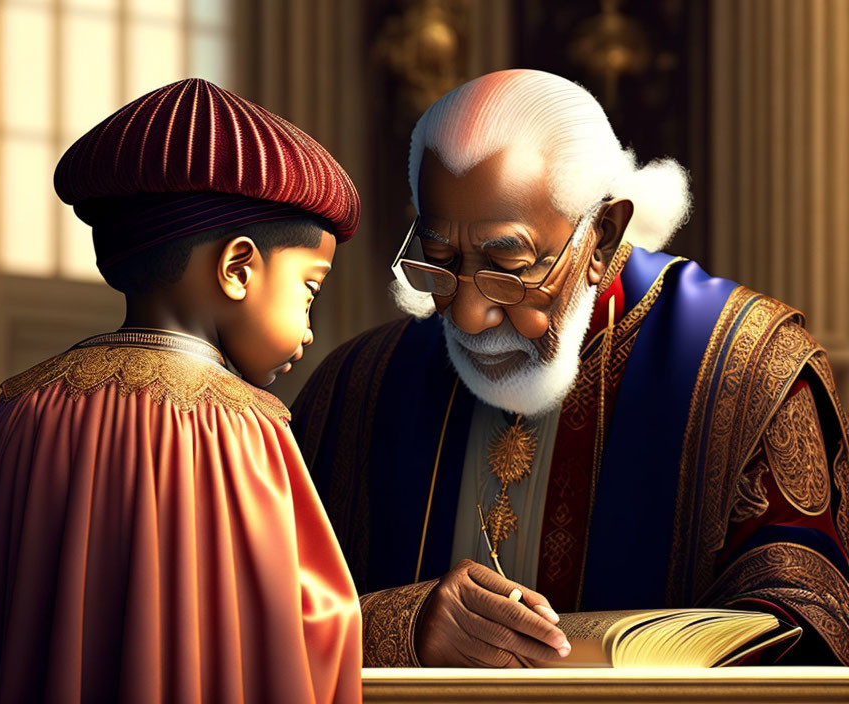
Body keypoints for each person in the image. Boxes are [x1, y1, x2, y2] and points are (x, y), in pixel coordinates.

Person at [291, 69, 849, 667]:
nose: (472, 314)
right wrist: (401, 629)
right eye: (441, 262)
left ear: (601, 237)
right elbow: (251, 610)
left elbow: (811, 624)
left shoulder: (752, 371)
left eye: (510, 267)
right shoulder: (361, 384)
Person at [0, 78, 363, 702]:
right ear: (237, 268)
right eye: (309, 290)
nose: (309, 329)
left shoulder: (18, 408)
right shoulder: (244, 427)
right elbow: (309, 624)